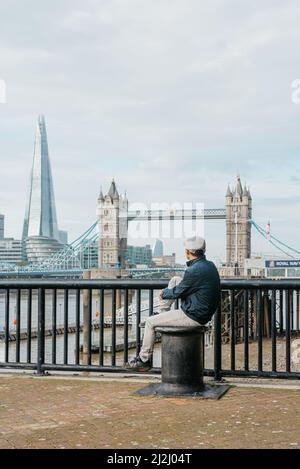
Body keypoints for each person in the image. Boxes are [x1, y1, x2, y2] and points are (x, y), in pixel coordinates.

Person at [125, 236, 221, 371]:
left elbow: (177, 293)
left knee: (150, 322)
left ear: (188, 252)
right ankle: (162, 314)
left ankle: (143, 360)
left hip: (193, 316)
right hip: (202, 311)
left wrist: (164, 293)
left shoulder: (193, 271)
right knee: (176, 279)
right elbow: (182, 287)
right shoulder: (209, 265)